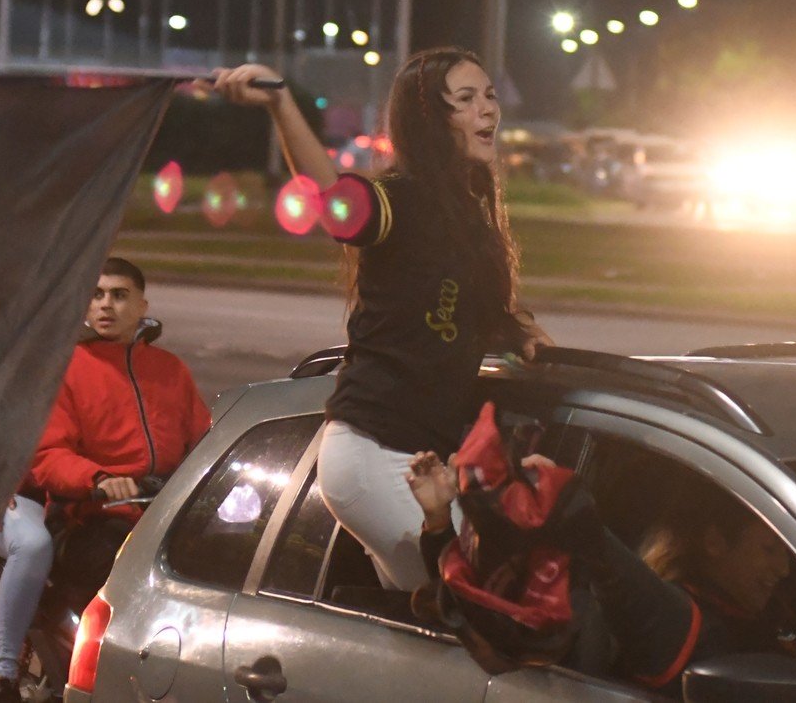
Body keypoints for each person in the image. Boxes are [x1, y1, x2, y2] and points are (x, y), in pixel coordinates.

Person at [213, 50, 551, 592]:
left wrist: (526, 337)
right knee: (477, 605)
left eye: (489, 96)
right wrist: (281, 105)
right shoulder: (404, 198)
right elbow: (335, 205)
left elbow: (482, 314)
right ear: (428, 121)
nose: (488, 110)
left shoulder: (468, 213)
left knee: (428, 624)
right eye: (466, 100)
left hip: (418, 463)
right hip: (374, 453)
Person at [0, 257, 210, 702]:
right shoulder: (68, 367)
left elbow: (201, 440)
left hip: (156, 515)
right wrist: (99, 478)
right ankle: (30, 674)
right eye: (97, 295)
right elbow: (48, 455)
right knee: (97, 576)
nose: (107, 305)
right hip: (86, 514)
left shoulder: (170, 370)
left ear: (142, 304)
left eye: (120, 295)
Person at [406, 451, 796, 696]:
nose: (784, 569)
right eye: (768, 550)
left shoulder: (793, 606)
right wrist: (440, 524)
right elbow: (477, 610)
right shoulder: (673, 621)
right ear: (715, 542)